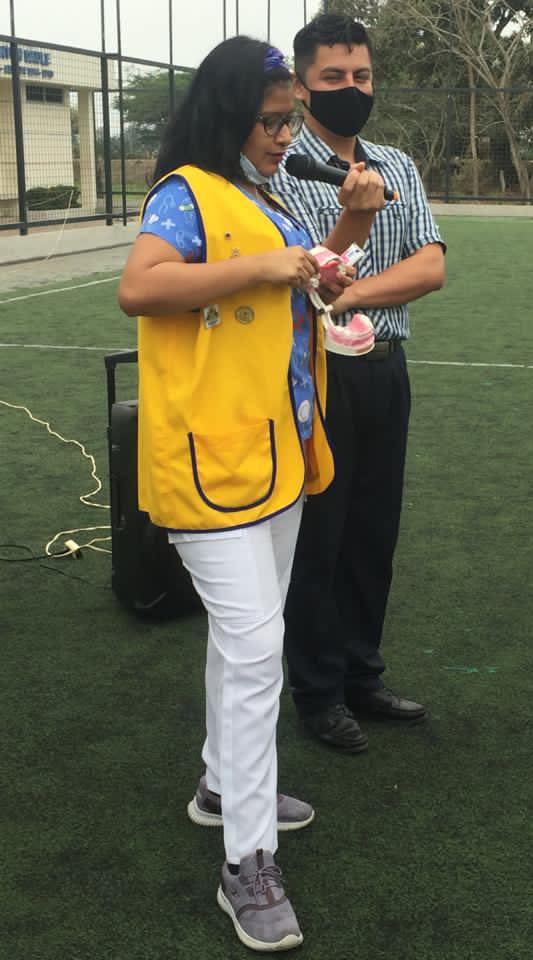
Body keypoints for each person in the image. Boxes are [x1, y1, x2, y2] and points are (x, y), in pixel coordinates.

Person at [117, 36, 383, 952]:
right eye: (270, 120)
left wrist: (339, 240)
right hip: (212, 462)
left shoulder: (261, 197)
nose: (283, 135)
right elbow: (141, 287)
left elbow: (299, 289)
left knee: (245, 641)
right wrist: (265, 268)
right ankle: (248, 860)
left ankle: (223, 786)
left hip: (274, 452)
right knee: (258, 645)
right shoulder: (185, 193)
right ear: (229, 114)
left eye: (286, 120)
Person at [270, 14, 446, 753]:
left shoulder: (396, 164)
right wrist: (340, 276)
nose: (352, 88)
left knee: (374, 530)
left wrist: (350, 294)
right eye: (335, 77)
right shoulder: (278, 166)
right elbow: (305, 275)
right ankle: (317, 693)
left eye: (363, 75)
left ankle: (361, 675)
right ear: (302, 84)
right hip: (317, 374)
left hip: (384, 368)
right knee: (320, 535)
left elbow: (430, 266)